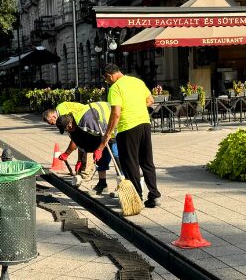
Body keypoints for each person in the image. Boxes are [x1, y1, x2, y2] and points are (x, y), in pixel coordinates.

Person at [97, 63, 160, 208]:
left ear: (109, 76)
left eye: (106, 79)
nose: (107, 82)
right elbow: (150, 100)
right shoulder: (137, 81)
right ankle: (154, 196)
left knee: (131, 163)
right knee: (147, 162)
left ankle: (136, 197)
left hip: (128, 128)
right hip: (145, 124)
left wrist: (107, 134)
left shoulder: (115, 88)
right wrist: (136, 107)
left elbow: (116, 113)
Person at [54, 101, 118, 194]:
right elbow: (82, 144)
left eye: (67, 129)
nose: (68, 131)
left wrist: (99, 149)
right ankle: (102, 184)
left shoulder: (87, 121)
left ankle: (122, 185)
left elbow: (105, 134)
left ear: (70, 124)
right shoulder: (74, 129)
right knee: (101, 159)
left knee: (117, 157)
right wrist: (80, 160)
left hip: (113, 129)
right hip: (100, 134)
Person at [42, 101, 91, 177]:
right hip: (86, 121)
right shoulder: (60, 108)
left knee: (88, 158)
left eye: (52, 123)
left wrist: (66, 154)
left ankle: (86, 175)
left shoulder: (65, 118)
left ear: (54, 117)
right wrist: (79, 160)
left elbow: (76, 139)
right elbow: (78, 141)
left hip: (90, 123)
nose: (54, 125)